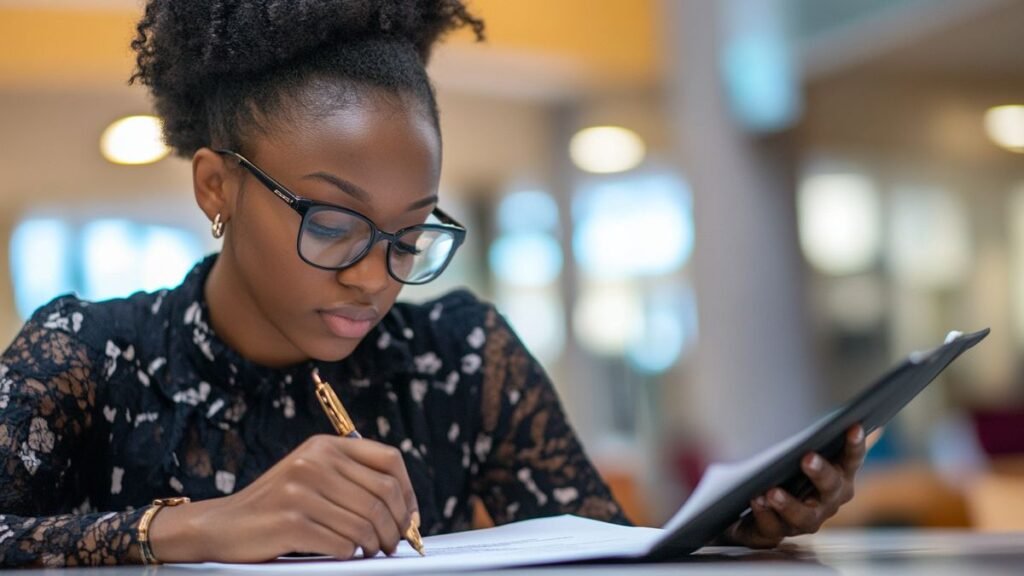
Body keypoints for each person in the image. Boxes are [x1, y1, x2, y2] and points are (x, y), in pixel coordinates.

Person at [0, 0, 867, 567]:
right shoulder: (88, 355)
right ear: (215, 188)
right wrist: (194, 528)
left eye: (410, 234)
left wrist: (736, 534)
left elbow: (598, 549)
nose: (377, 277)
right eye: (332, 224)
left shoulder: (460, 358)